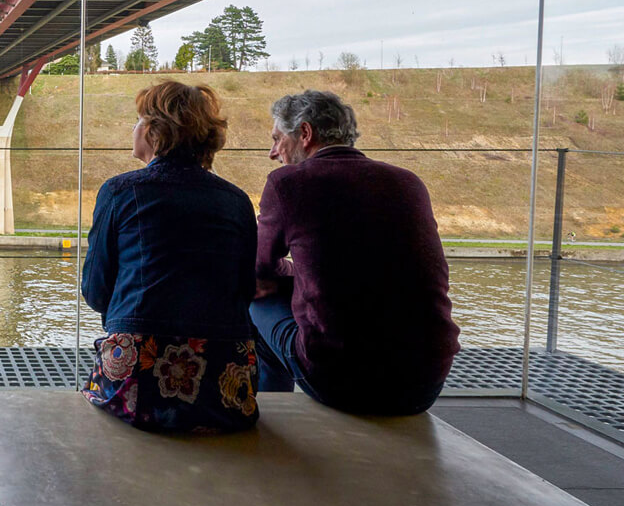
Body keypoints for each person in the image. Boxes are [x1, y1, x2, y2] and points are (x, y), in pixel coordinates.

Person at [254, 90, 460, 415]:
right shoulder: (408, 182)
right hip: (425, 382)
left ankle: (269, 415)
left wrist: (290, 276)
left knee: (256, 300)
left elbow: (258, 269)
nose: (272, 152)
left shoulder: (290, 183)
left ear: (305, 134)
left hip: (341, 382)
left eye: (278, 139)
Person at [81, 80, 259, 433]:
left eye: (137, 120)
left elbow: (95, 291)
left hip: (136, 377)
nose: (134, 128)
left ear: (152, 131)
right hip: (226, 383)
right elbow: (245, 290)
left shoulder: (119, 191)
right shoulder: (236, 200)